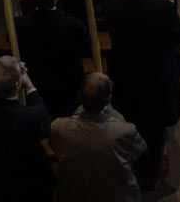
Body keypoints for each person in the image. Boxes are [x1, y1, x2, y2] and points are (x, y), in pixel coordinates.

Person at [100, 0, 180, 188]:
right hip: (154, 77)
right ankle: (153, 166)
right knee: (155, 126)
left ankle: (134, 157)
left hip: (124, 74)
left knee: (132, 117)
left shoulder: (111, 4)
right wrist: (169, 8)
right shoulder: (163, 9)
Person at [0, 56, 54, 200]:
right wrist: (28, 84)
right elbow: (44, 122)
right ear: (17, 85)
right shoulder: (31, 117)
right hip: (29, 186)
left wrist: (13, 74)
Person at [50, 73, 147, 202]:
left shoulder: (58, 127)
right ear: (108, 99)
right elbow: (141, 155)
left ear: (79, 95)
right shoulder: (126, 131)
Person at [18, 0, 91, 117]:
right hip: (67, 86)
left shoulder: (20, 25)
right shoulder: (73, 25)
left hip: (36, 82)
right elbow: (85, 47)